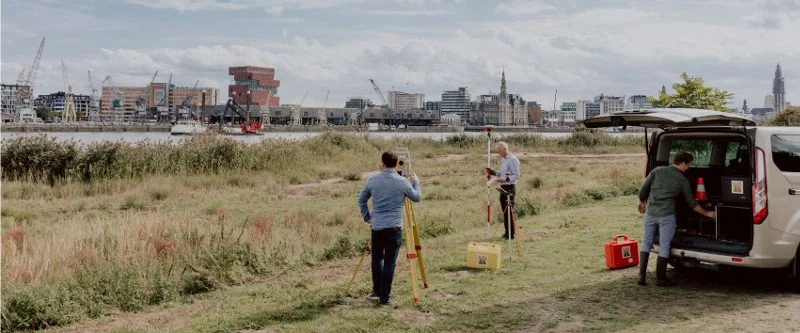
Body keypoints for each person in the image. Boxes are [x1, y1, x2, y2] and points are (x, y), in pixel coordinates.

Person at [637, 151, 716, 287]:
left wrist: (642, 202)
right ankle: (661, 279)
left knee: (646, 242)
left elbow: (643, 190)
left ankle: (641, 277)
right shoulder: (682, 179)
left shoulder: (657, 170)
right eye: (689, 165)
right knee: (665, 245)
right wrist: (707, 213)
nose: (689, 168)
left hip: (650, 214)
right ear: (683, 163)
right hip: (666, 215)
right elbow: (692, 203)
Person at [358, 151, 421, 306]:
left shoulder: (372, 180)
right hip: (394, 228)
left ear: (382, 163)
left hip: (377, 227)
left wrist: (368, 217)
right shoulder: (402, 182)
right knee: (389, 263)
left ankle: (377, 291)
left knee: (377, 259)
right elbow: (416, 197)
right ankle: (385, 298)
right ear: (396, 163)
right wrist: (416, 182)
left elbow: (361, 201)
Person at [486, 141, 521, 240]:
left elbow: (516, 175)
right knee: (505, 211)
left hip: (509, 187)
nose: (498, 153)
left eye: (499, 151)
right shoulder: (504, 160)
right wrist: (493, 172)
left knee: (509, 211)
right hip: (503, 187)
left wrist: (506, 179)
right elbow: (503, 174)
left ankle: (511, 234)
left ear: (505, 149)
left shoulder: (513, 159)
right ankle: (507, 233)